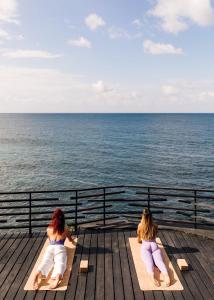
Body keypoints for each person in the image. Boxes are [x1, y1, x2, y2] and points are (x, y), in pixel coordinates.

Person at [33, 208, 74, 289]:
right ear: (63, 219)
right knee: (60, 263)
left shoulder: (48, 229)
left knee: (46, 262)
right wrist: (71, 238)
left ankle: (38, 274)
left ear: (53, 218)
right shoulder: (65, 229)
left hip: (50, 247)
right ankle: (57, 276)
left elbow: (49, 240)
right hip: (60, 248)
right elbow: (70, 240)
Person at [137, 208, 170, 287]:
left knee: (149, 263)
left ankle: (153, 277)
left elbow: (139, 237)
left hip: (146, 247)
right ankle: (166, 276)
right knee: (159, 262)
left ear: (143, 216)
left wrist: (139, 241)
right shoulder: (155, 226)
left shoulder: (140, 226)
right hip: (154, 246)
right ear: (151, 216)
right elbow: (154, 236)